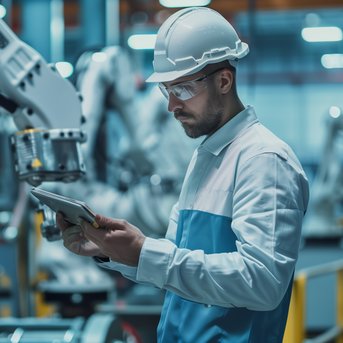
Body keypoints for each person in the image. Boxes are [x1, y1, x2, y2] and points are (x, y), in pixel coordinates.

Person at [57, 7, 309, 343]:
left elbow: (262, 282)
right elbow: (176, 259)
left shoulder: (264, 160)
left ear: (224, 81)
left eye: (183, 90)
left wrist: (146, 252)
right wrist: (112, 251)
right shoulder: (205, 158)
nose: (171, 106)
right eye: (167, 90)